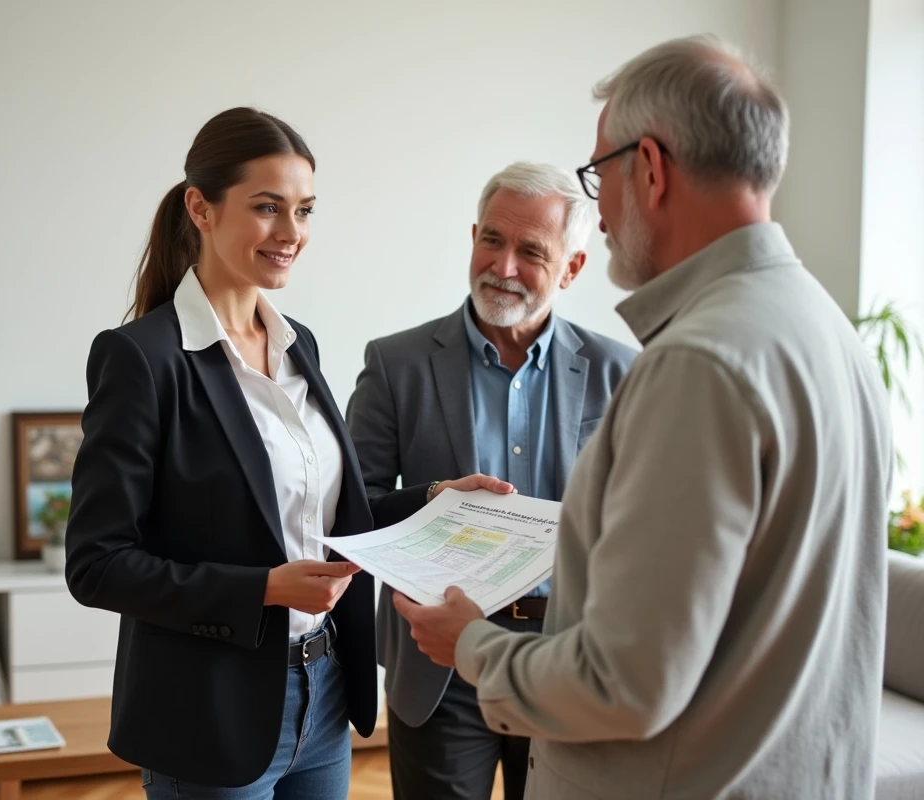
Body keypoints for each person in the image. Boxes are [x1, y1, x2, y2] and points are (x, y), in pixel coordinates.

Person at [393, 34, 894, 799]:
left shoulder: (698, 362)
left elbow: (624, 682)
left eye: (599, 174)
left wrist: (472, 646)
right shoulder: (830, 332)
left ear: (650, 169)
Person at [63, 106, 511, 800]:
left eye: (304, 209)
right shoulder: (142, 360)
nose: (292, 233)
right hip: (211, 709)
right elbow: (97, 565)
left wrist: (430, 500)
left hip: (325, 689)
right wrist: (265, 589)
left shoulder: (299, 342)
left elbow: (320, 522)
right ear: (200, 208)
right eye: (267, 207)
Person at [345, 161, 636, 800]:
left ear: (572, 268)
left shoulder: (625, 373)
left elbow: (646, 528)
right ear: (473, 235)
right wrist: (427, 502)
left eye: (531, 251)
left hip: (570, 658)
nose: (502, 267)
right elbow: (348, 514)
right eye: (492, 241)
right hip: (439, 664)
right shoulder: (395, 365)